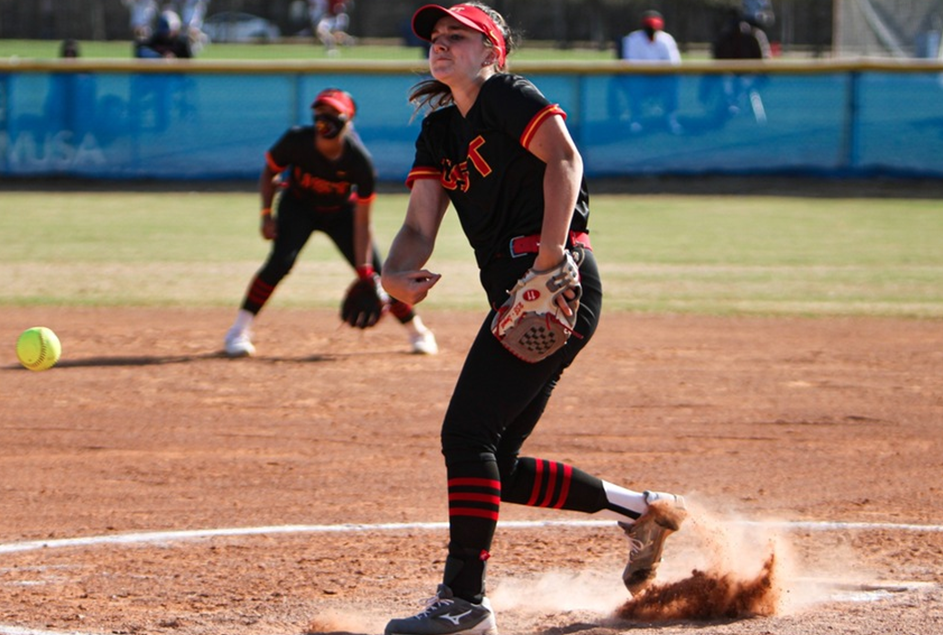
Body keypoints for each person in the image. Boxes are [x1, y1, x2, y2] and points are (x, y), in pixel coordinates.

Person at [380, 4, 685, 634]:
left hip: (557, 283)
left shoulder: (507, 95)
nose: (440, 46)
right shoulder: (439, 131)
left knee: (466, 438)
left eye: (456, 36)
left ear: (492, 51)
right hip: (522, 296)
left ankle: (464, 601)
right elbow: (417, 226)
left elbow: (565, 161)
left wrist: (549, 261)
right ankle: (639, 511)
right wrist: (393, 274)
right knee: (498, 462)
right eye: (435, 39)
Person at [223, 88, 437, 358]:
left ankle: (418, 332)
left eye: (333, 113)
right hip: (298, 205)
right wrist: (266, 214)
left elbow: (362, 221)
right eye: (320, 112)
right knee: (280, 262)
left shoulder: (359, 161)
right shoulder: (296, 140)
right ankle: (238, 331)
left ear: (348, 120)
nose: (325, 118)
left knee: (381, 276)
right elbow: (269, 172)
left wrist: (364, 270)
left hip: (341, 214)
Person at [619, 10, 683, 134]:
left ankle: (671, 117)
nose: (651, 32)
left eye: (654, 28)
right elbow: (631, 62)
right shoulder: (632, 39)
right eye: (649, 28)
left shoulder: (666, 39)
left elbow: (674, 62)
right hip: (640, 79)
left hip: (661, 79)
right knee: (635, 82)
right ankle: (635, 119)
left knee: (673, 82)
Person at [708, 8, 771, 122]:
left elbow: (765, 59)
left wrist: (756, 73)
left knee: (742, 83)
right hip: (730, 74)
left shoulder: (755, 35)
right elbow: (716, 58)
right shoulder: (724, 37)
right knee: (726, 80)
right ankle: (729, 106)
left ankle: (736, 106)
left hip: (753, 74)